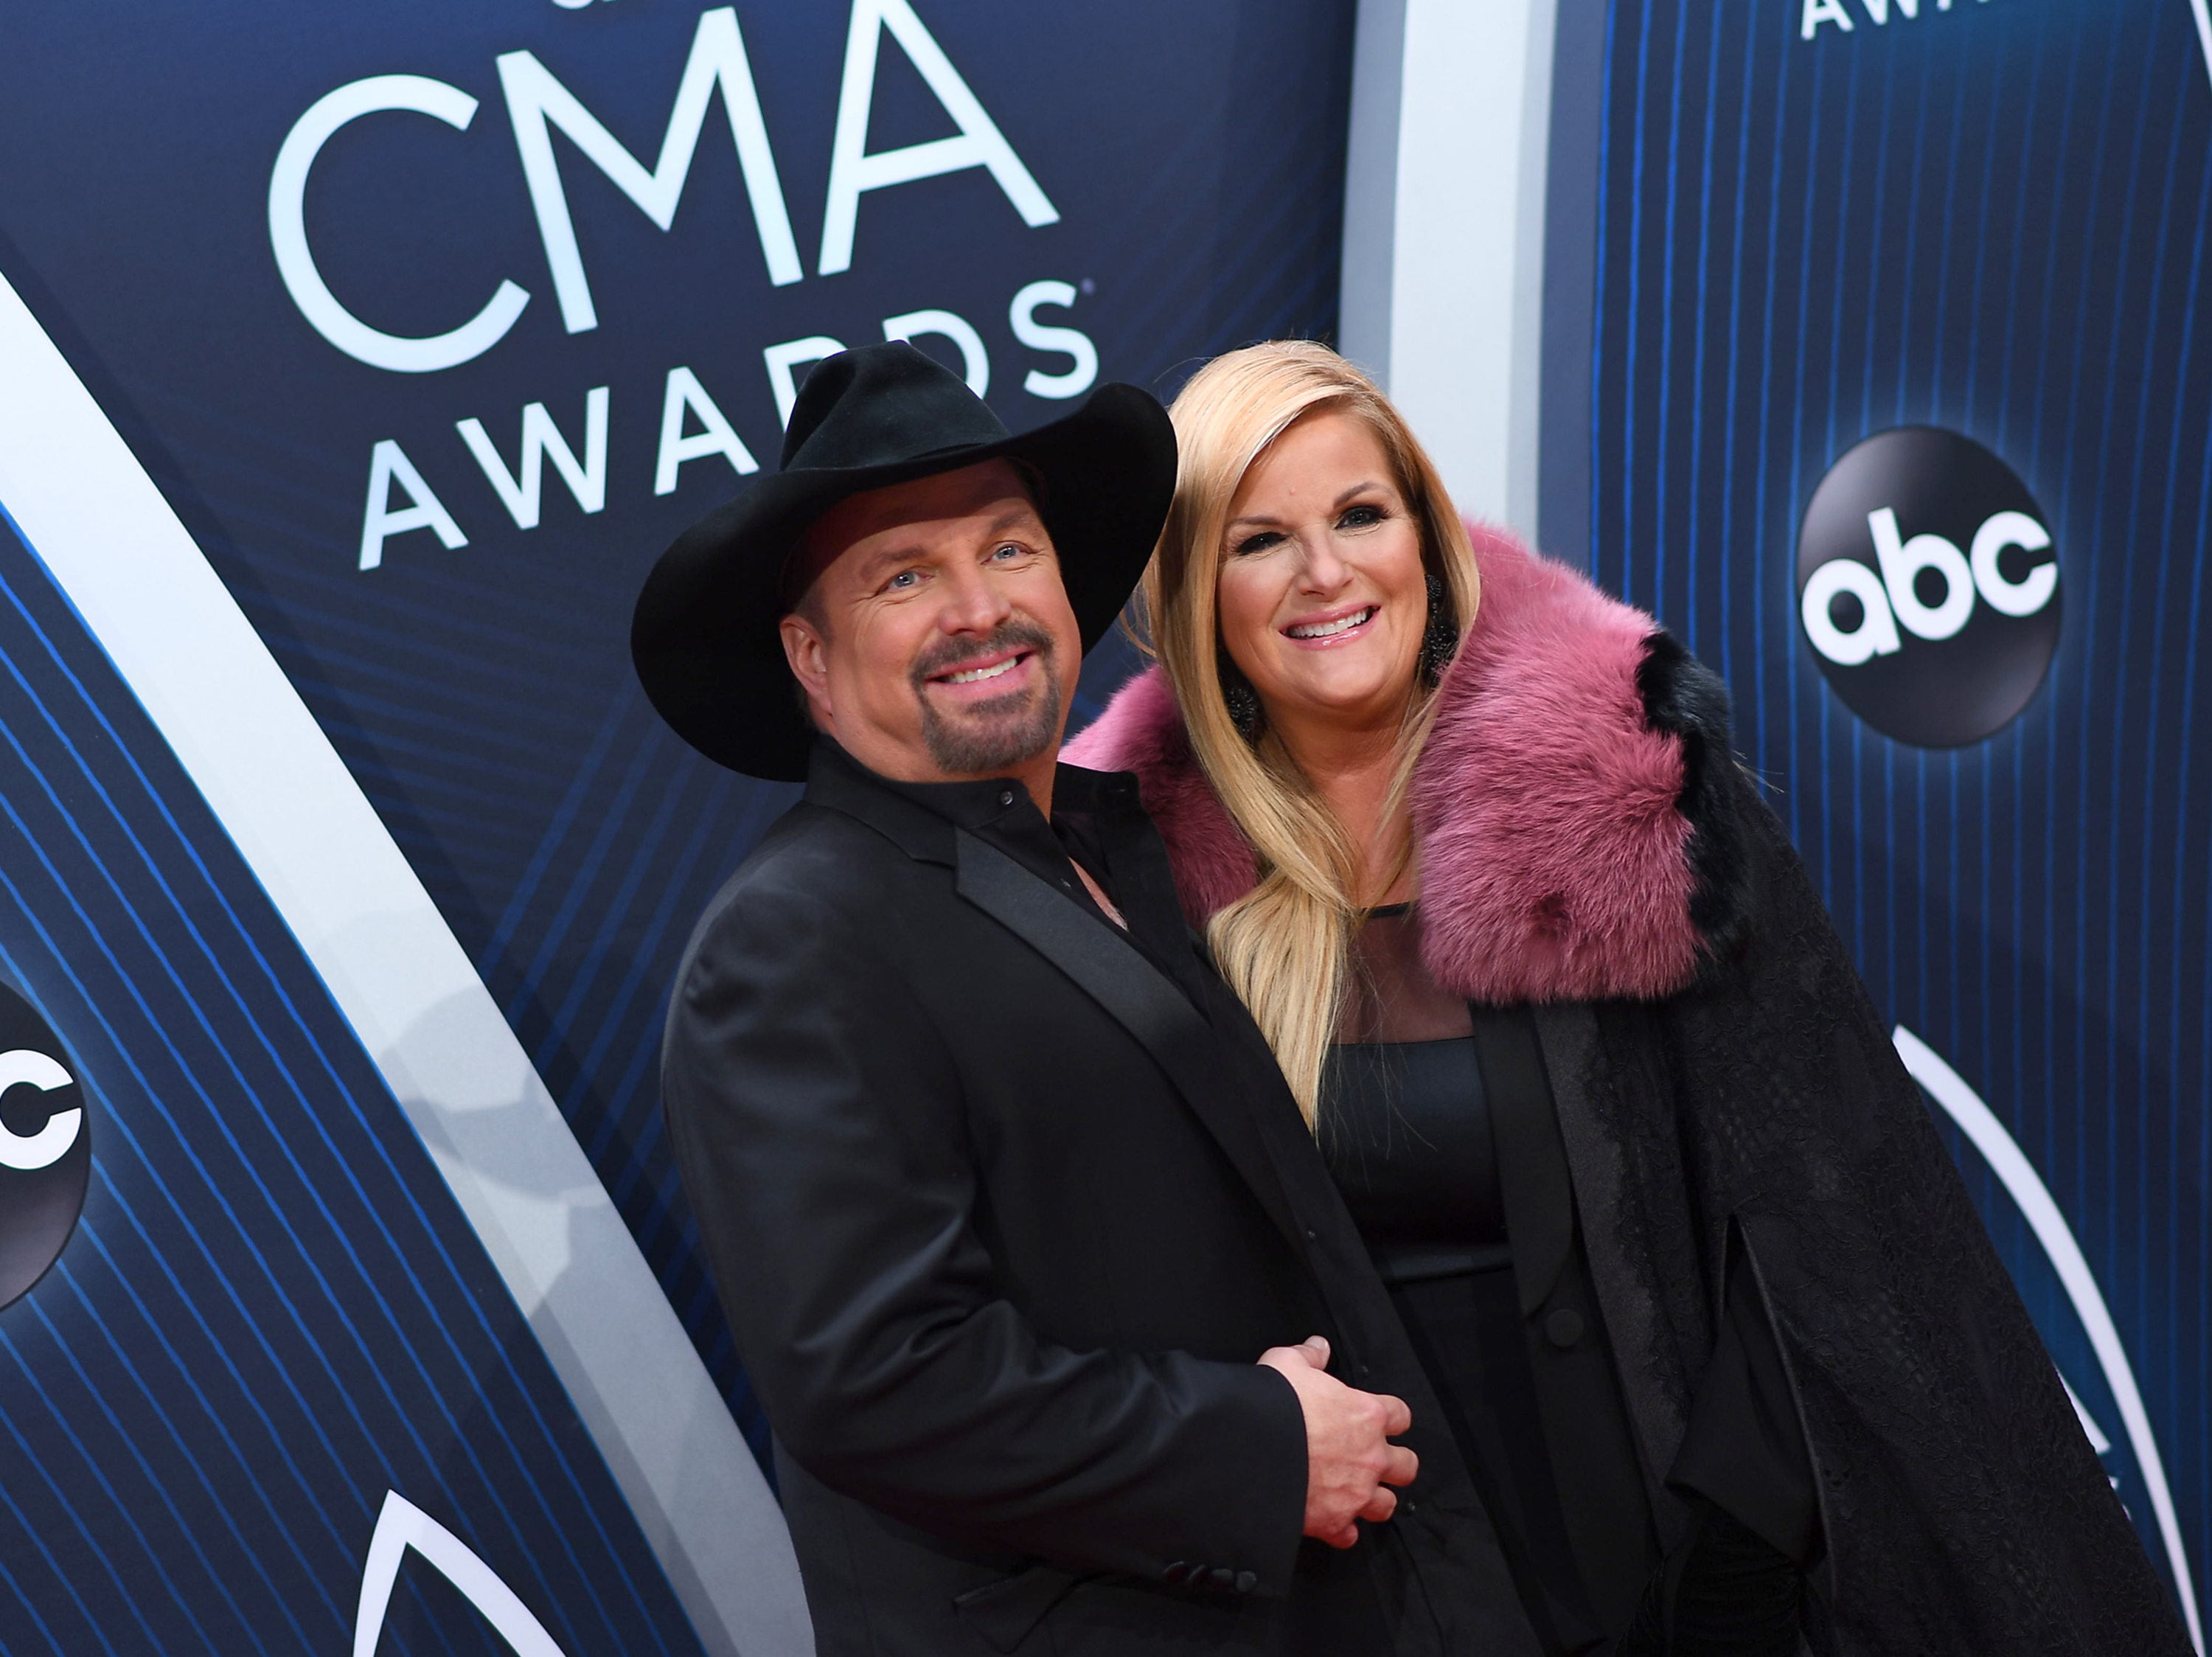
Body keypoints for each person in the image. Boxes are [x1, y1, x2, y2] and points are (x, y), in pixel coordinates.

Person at [1065, 340, 2193, 1656]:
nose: (1326, 572)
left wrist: (1734, 1557)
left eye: (1360, 515)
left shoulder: (1628, 789)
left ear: (1425, 539)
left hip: (1681, 1567)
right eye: (1261, 541)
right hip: (1371, 1598)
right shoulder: (1135, 894)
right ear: (1197, 593)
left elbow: (1819, 1198)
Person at [633, 341, 1531, 1656]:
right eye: (903, 576)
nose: (977, 607)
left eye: (1009, 549)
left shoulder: (1138, 845)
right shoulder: (794, 936)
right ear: (810, 659)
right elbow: (877, 1377)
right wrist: (1257, 1448)